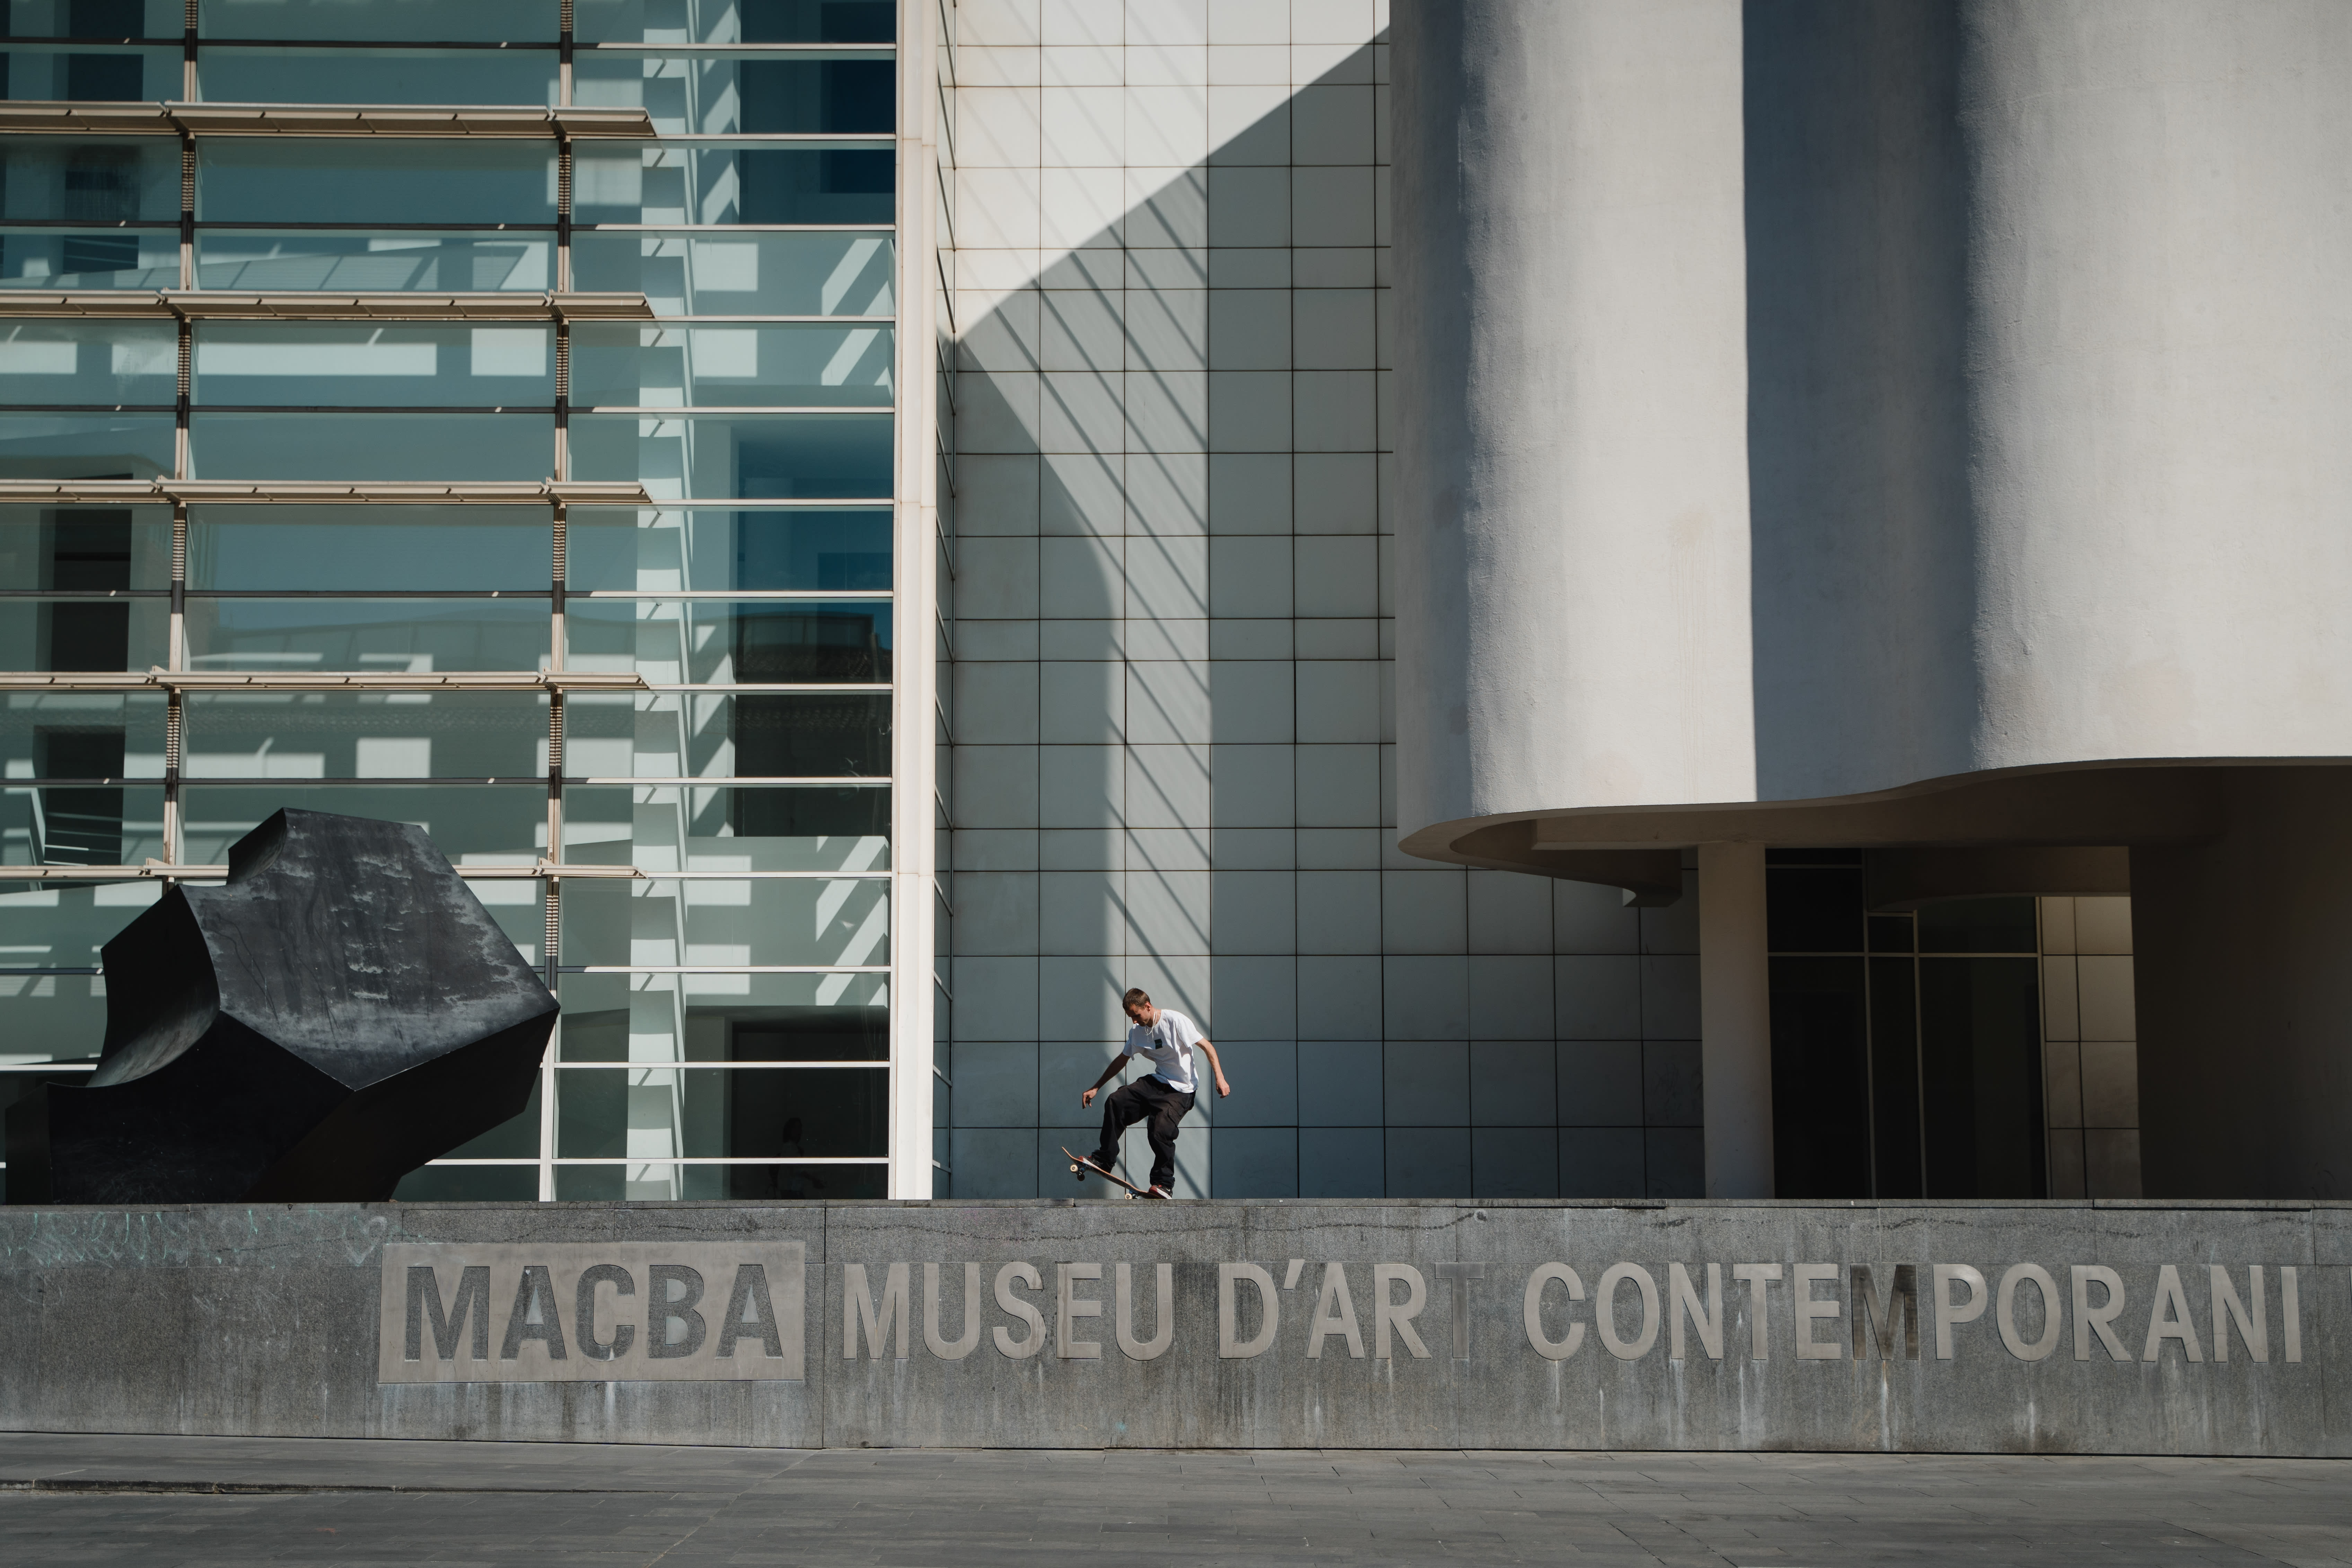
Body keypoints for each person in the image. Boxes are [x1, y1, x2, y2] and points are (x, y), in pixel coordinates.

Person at [1077, 988, 1229, 1198]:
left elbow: (1207, 1047)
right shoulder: (1137, 1032)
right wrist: (1097, 1087)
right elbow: (1121, 1060)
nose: (1135, 1021)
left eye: (1137, 1015)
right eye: (1131, 1017)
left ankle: (1163, 1184)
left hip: (1182, 1091)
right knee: (1116, 1101)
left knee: (1160, 1130)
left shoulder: (1175, 1021)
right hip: (1158, 1082)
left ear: (1148, 1007)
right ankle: (1104, 1159)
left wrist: (1220, 1078)